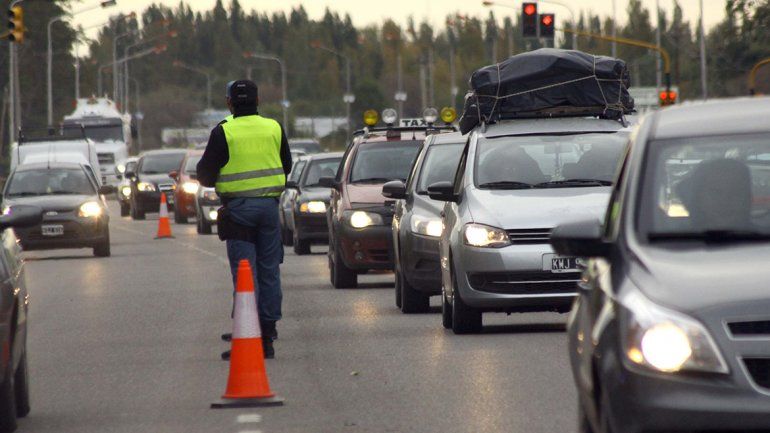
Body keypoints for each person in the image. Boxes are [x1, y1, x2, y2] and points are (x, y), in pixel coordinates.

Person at [197, 80, 293, 359]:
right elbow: (286, 164)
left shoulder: (224, 131)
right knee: (269, 271)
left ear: (229, 103)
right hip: (268, 210)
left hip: (238, 211)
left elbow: (205, 174)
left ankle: (248, 335)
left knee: (245, 274)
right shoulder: (274, 127)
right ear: (258, 100)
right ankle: (268, 334)